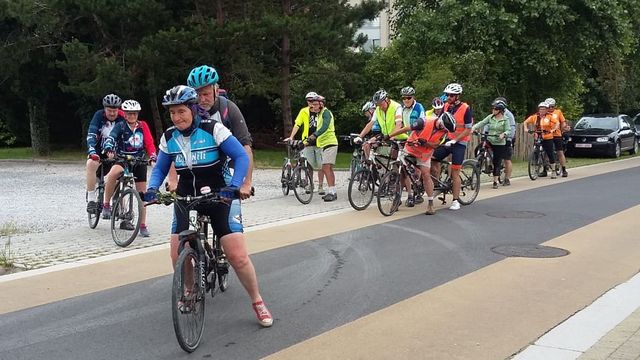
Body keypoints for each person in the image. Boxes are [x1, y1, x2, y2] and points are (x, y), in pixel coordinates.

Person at [144, 85, 273, 327]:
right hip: (186, 196)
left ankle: (257, 301)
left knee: (237, 255)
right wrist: (152, 189)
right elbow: (161, 167)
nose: (177, 117)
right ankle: (190, 290)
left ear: (193, 109)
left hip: (219, 195)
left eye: (181, 111)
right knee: (176, 252)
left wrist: (234, 186)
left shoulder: (213, 129)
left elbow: (241, 157)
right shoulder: (169, 137)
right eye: (172, 113)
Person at [186, 65, 254, 199]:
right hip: (197, 167)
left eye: (206, 94)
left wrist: (246, 183)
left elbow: (245, 147)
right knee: (179, 217)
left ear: (216, 91)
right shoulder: (188, 112)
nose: (202, 99)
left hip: (226, 167)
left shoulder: (228, 109)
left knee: (231, 214)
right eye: (197, 95)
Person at [102, 100, 157, 236]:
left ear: (137, 114)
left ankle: (143, 225)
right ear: (125, 114)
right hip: (123, 159)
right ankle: (106, 204)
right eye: (129, 114)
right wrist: (109, 148)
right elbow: (111, 137)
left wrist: (152, 157)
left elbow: (149, 143)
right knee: (112, 174)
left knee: (142, 194)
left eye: (134, 114)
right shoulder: (120, 126)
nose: (132, 116)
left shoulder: (143, 126)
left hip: (138, 161)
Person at [388, 111, 455, 215]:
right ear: (440, 121)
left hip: (424, 153)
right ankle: (397, 200)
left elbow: (436, 145)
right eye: (444, 127)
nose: (445, 130)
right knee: (402, 173)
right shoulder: (424, 121)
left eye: (446, 129)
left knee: (426, 174)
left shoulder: (444, 132)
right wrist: (389, 135)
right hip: (410, 148)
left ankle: (430, 203)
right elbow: (406, 129)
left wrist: (426, 143)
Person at [431, 83, 474, 210]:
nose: (448, 97)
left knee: (455, 171)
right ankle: (437, 185)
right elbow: (440, 123)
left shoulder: (466, 108)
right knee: (432, 158)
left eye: (451, 95)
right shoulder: (446, 106)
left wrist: (455, 140)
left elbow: (468, 129)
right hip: (448, 140)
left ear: (457, 96)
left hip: (460, 142)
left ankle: (455, 200)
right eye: (447, 95)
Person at [86, 94, 126, 213]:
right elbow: (92, 134)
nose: (112, 113)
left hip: (116, 150)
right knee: (91, 164)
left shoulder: (123, 117)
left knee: (121, 175)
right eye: (109, 110)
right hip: (99, 150)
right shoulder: (99, 116)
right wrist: (92, 151)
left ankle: (121, 208)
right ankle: (92, 199)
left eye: (115, 111)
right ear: (104, 109)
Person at [285, 91, 327, 196]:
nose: (311, 103)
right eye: (309, 101)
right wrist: (291, 136)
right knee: (309, 165)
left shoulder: (321, 112)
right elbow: (297, 124)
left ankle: (321, 186)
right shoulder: (304, 111)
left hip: (319, 141)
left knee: (321, 165)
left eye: (313, 100)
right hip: (307, 142)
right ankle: (310, 184)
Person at [472, 100, 511, 189]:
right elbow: (481, 123)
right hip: (490, 139)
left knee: (497, 161)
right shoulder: (490, 117)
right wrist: (473, 128)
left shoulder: (505, 119)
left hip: (499, 142)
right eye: (493, 108)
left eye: (495, 109)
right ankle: (481, 160)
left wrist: (503, 134)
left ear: (500, 110)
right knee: (479, 148)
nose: (493, 110)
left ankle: (495, 181)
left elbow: (508, 130)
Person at [398, 86, 427, 206]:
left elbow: (423, 122)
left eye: (408, 98)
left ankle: (418, 188)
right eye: (404, 98)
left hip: (419, 140)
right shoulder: (402, 109)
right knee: (405, 169)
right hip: (408, 140)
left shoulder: (419, 107)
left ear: (413, 97)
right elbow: (400, 125)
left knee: (418, 168)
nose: (406, 100)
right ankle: (410, 195)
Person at [524, 102, 559, 179]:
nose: (542, 110)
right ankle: (536, 167)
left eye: (543, 109)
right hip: (538, 136)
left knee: (550, 153)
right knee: (536, 151)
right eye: (540, 109)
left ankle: (553, 170)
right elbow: (526, 122)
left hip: (547, 137)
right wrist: (526, 128)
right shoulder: (535, 117)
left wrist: (553, 129)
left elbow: (557, 123)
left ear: (546, 110)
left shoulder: (550, 117)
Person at [546, 97, 570, 177]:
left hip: (557, 134)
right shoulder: (544, 113)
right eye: (549, 107)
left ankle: (563, 169)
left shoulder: (558, 112)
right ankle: (544, 169)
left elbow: (563, 122)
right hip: (547, 135)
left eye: (552, 106)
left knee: (560, 152)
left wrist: (563, 127)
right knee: (545, 152)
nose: (550, 108)